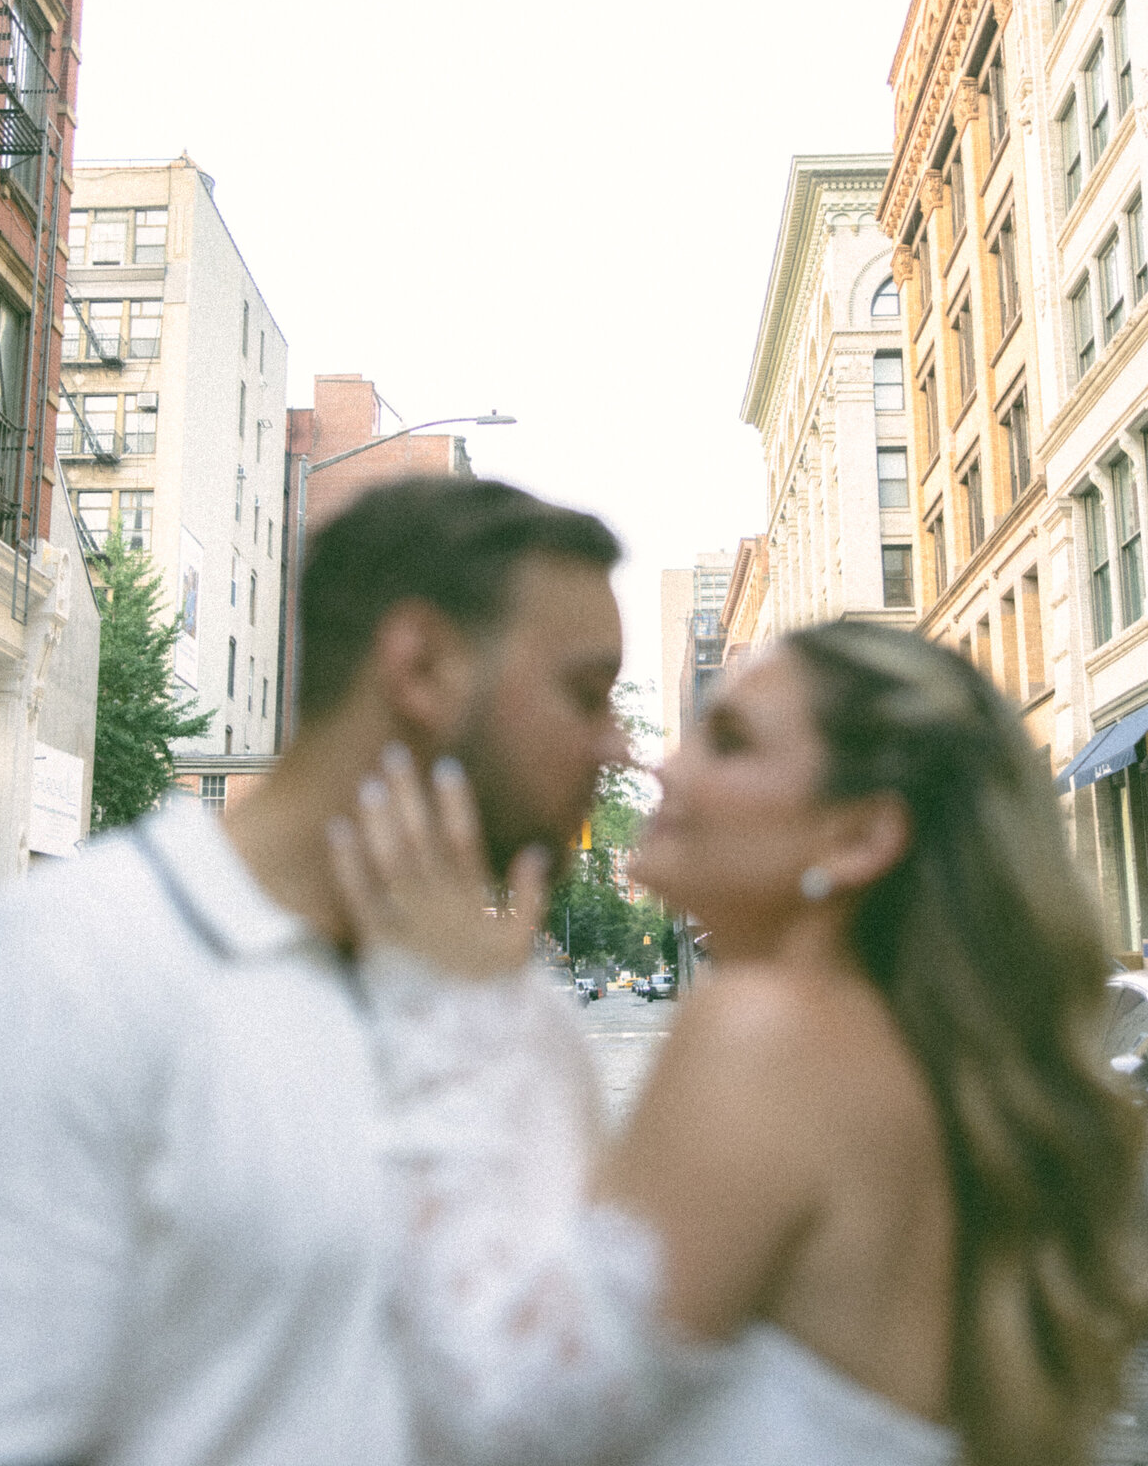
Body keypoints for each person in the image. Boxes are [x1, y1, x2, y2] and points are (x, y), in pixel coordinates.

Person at [334, 620, 1148, 1466]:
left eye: (729, 742)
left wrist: (444, 1009)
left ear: (859, 837)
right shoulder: (893, 1052)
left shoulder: (767, 1032)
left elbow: (499, 1417)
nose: (664, 767)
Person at [0, 476, 635, 1466]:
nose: (614, 746)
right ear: (424, 666)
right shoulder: (71, 970)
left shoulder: (515, 1024)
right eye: (586, 691)